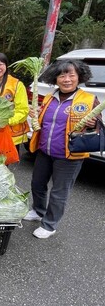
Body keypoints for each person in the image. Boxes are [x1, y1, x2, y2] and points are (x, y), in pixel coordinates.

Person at [24, 60, 100, 239]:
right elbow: (42, 120)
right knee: (37, 184)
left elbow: (97, 126)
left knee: (59, 191)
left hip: (70, 155)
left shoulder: (89, 99)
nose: (67, 79)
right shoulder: (50, 97)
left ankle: (50, 224)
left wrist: (93, 124)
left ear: (79, 77)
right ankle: (38, 210)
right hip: (45, 151)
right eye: (62, 75)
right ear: (55, 78)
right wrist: (35, 115)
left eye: (71, 75)